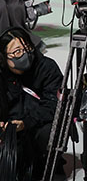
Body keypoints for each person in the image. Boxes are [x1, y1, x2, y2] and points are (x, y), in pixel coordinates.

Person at [0, 27, 63, 179]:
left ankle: (52, 168)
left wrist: (25, 123)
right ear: (4, 57)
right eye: (17, 52)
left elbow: (53, 106)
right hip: (10, 127)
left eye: (27, 48)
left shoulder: (47, 67)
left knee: (50, 132)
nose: (25, 54)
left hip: (38, 123)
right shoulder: (1, 74)